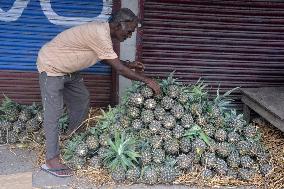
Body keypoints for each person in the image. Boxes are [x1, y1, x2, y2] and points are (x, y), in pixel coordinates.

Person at [37, 8, 161, 177]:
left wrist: (128, 63)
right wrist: (147, 80)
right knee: (53, 112)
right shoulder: (100, 34)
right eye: (130, 31)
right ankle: (51, 160)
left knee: (82, 98)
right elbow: (119, 69)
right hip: (51, 66)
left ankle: (73, 136)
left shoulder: (105, 35)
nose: (130, 35)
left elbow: (106, 58)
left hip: (70, 70)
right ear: (119, 25)